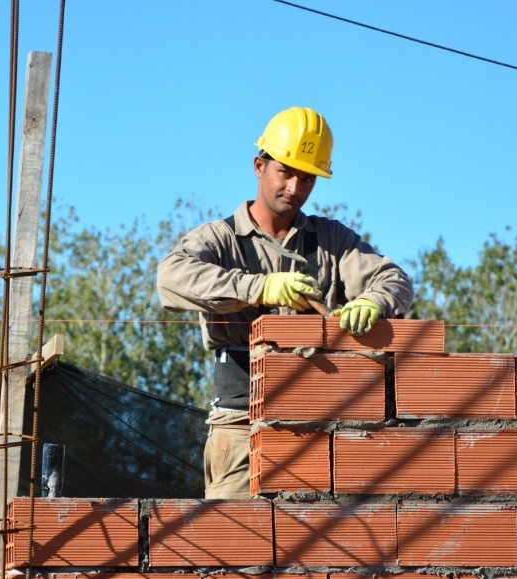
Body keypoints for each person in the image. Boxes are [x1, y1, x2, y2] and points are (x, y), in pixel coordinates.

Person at [156, 106, 413, 499]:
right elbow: (171, 277)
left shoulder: (331, 240)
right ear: (259, 166)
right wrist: (260, 288)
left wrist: (375, 301)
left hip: (323, 421)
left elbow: (393, 278)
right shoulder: (222, 239)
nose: (295, 187)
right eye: (286, 173)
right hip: (241, 423)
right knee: (235, 543)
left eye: (307, 178)